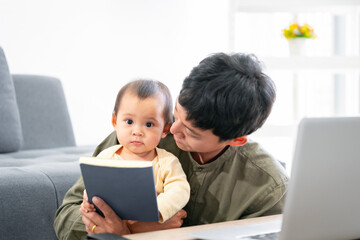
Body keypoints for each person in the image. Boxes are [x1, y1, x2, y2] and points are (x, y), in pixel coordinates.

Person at [54, 52, 289, 239]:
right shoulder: (142, 134)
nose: (172, 130)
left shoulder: (268, 188)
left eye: (190, 131)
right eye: (176, 114)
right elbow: (66, 216)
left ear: (236, 140)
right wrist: (131, 232)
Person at [81, 80, 190, 227]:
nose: (137, 131)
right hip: (112, 222)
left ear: (165, 129)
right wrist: (88, 200)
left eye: (149, 124)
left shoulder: (167, 162)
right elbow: (94, 184)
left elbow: (180, 190)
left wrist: (156, 210)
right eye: (129, 121)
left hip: (153, 227)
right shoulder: (107, 157)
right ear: (115, 121)